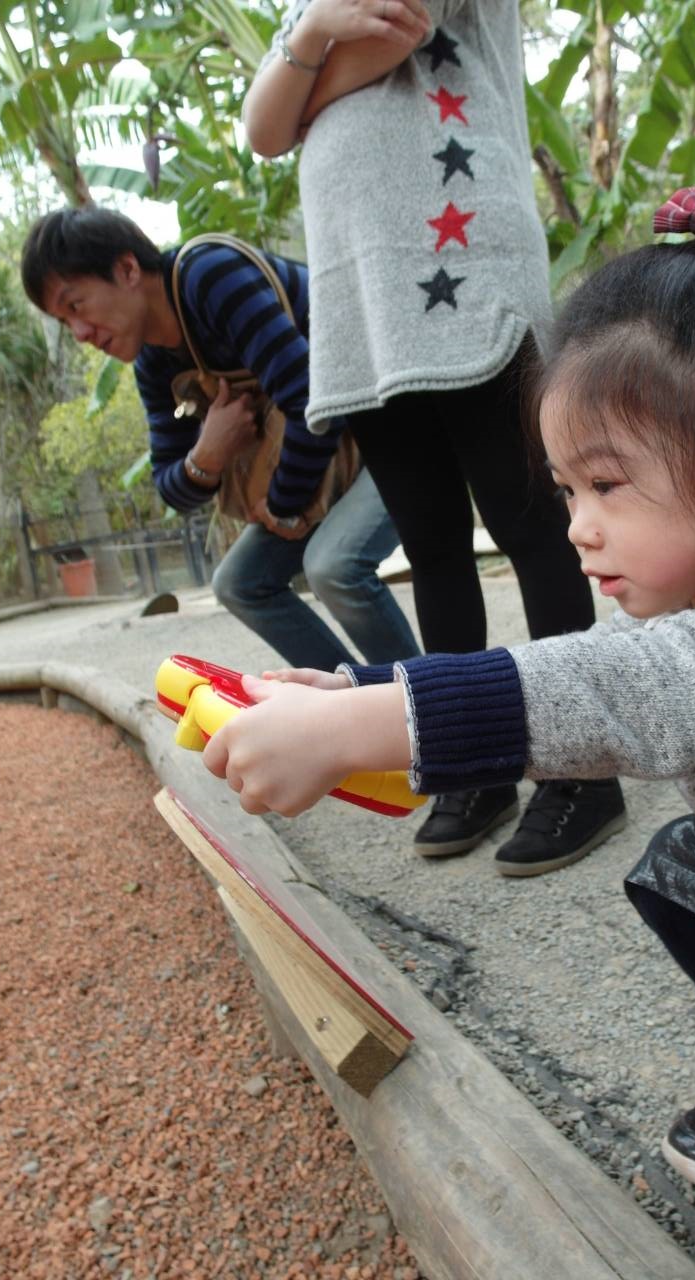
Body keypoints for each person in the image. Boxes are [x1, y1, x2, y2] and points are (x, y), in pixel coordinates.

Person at [201, 163, 695, 1196]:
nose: (578, 526)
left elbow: (634, 690)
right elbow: (583, 672)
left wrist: (373, 725)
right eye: (566, 489)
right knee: (677, 867)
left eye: (608, 483)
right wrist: (357, 691)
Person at [241, 0, 627, 876]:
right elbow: (263, 133)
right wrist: (312, 33)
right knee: (430, 544)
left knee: (531, 524)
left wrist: (301, 72)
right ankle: (474, 761)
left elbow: (397, 35)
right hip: (365, 292)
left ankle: (585, 769)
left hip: (461, 258)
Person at [20, 206, 419, 670]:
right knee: (239, 583)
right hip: (327, 461)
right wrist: (208, 454)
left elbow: (311, 401)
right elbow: (170, 487)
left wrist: (282, 505)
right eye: (64, 322)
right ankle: (351, 698)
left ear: (127, 269)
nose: (79, 333)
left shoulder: (208, 275)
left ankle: (426, 701)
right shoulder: (154, 362)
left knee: (334, 567)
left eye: (75, 306)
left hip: (394, 424)